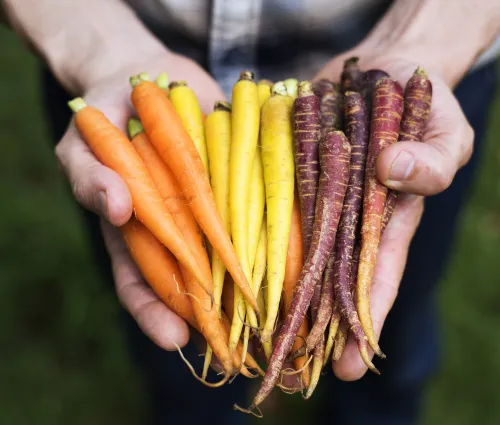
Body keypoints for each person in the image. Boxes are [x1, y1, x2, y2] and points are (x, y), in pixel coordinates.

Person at [2, 0, 499, 423]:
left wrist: (423, 39)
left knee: (391, 319)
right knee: (180, 340)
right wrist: (93, 45)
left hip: (393, 58)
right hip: (127, 37)